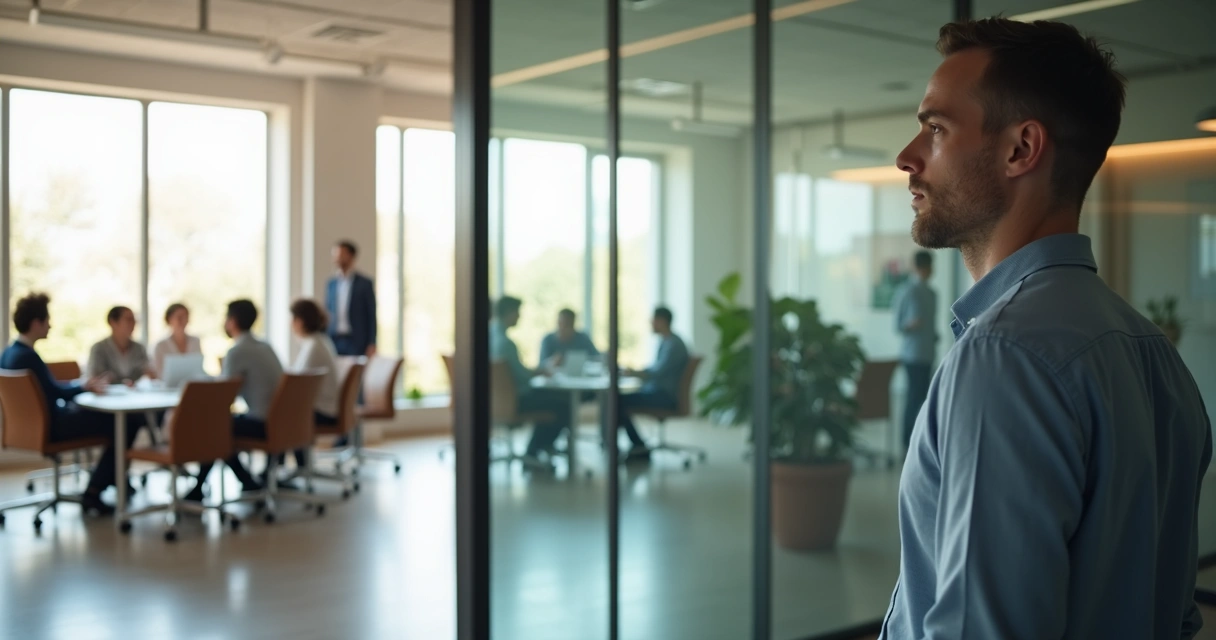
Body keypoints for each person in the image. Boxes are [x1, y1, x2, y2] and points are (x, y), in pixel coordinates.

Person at [879, 18, 1211, 640]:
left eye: (935, 129)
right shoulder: (1154, 354)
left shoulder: (1003, 354)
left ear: (1020, 149)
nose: (907, 157)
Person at [0, 293, 132, 515]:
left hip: (28, 428)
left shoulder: (9, 354)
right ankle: (95, 489)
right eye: (47, 320)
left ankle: (112, 479)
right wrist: (83, 387)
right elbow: (55, 393)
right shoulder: (28, 357)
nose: (50, 325)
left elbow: (47, 387)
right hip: (53, 427)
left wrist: (79, 384)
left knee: (115, 423)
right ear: (36, 323)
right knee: (124, 424)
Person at [187, 300, 282, 501]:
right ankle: (243, 480)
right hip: (281, 421)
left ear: (233, 321)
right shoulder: (265, 346)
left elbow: (222, 397)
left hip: (263, 423)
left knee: (214, 427)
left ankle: (209, 486)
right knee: (221, 425)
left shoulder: (237, 350)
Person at [491, 296, 571, 465]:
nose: (519, 317)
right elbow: (523, 376)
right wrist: (542, 371)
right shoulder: (505, 343)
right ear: (509, 313)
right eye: (517, 313)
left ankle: (542, 447)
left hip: (494, 401)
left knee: (549, 398)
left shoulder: (488, 337)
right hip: (515, 400)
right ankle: (535, 449)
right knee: (565, 404)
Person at [275, 298, 341, 472]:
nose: (291, 325)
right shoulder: (318, 342)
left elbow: (297, 384)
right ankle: (295, 467)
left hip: (323, 411)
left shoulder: (313, 347)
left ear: (300, 321)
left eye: (293, 319)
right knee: (290, 413)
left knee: (282, 416)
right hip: (327, 407)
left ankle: (275, 470)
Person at [618, 306, 689, 462]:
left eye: (653, 321)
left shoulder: (673, 345)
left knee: (616, 401)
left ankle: (637, 446)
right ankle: (633, 445)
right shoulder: (668, 342)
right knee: (617, 399)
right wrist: (636, 372)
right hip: (660, 392)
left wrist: (635, 373)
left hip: (665, 397)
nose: (651, 324)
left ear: (662, 321)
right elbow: (656, 369)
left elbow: (657, 372)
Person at [890, 250, 938, 451]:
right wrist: (911, 325)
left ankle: (920, 439)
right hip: (912, 354)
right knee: (913, 398)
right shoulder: (907, 291)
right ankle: (906, 441)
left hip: (927, 352)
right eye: (926, 267)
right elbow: (897, 324)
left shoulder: (932, 293)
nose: (929, 271)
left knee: (924, 399)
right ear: (919, 268)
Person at [325, 240, 377, 358]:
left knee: (356, 374)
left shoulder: (364, 284)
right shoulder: (331, 284)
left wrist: (372, 342)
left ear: (351, 256)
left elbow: (371, 314)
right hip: (335, 339)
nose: (337, 258)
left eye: (340, 254)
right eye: (335, 255)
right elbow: (327, 310)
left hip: (356, 340)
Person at [87, 306, 153, 385]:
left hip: (134, 394)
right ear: (112, 322)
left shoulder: (139, 348)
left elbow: (148, 373)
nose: (133, 324)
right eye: (128, 320)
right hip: (106, 395)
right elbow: (95, 378)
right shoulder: (99, 348)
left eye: (134, 320)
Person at [151, 303, 202, 377]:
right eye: (179, 317)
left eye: (185, 317)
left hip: (191, 386)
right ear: (169, 319)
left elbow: (198, 369)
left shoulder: (195, 341)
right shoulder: (160, 345)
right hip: (167, 387)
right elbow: (158, 372)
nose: (183, 321)